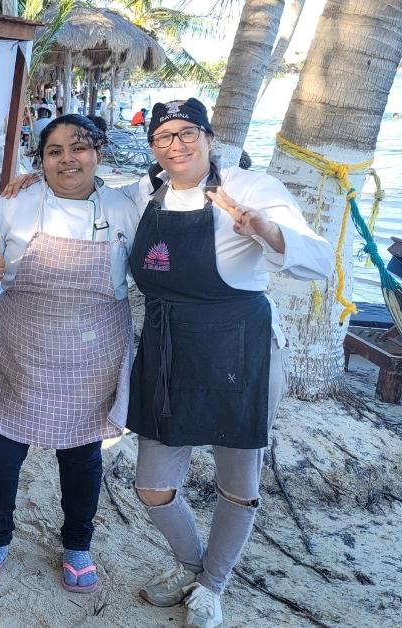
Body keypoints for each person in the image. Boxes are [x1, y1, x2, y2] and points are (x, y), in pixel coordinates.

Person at [119, 99, 332, 627]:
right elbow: (80, 196)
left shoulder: (252, 188)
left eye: (188, 133)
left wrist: (265, 229)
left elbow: (319, 257)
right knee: (153, 485)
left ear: (209, 137)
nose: (177, 145)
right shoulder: (145, 193)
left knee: (238, 482)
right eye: (164, 137)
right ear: (154, 147)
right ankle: (196, 568)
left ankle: (213, 587)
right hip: (168, 349)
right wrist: (27, 186)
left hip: (241, 350)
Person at [0, 114, 141, 593]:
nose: (67, 159)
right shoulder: (18, 202)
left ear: (99, 152)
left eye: (78, 148)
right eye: (54, 151)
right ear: (41, 162)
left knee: (81, 453)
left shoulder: (125, 208)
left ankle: (77, 545)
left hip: (92, 353)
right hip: (22, 346)